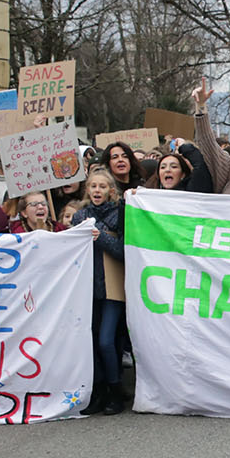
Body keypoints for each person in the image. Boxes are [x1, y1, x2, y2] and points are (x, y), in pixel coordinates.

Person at [69, 173, 129, 415]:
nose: (97, 190)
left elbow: (123, 251)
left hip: (112, 288)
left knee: (106, 341)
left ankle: (115, 390)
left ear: (110, 191)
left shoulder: (118, 215)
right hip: (87, 287)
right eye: (93, 186)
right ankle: (99, 390)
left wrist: (100, 237)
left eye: (102, 186)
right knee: (92, 342)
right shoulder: (79, 216)